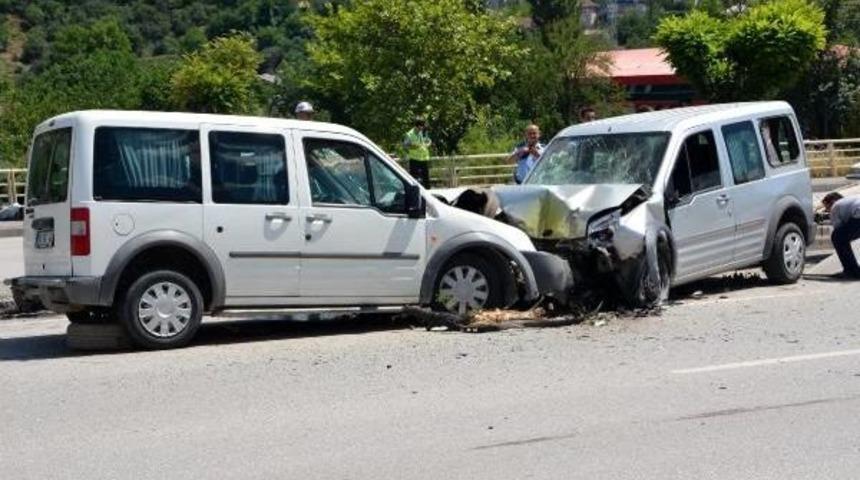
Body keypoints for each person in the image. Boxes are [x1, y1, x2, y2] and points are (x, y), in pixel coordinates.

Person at [822, 192, 860, 279]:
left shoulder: (835, 206)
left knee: (837, 237)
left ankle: (851, 271)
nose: (827, 211)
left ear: (833, 201)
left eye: (827, 207)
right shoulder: (849, 201)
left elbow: (838, 229)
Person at [402, 116, 432, 187]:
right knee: (414, 179)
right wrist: (412, 147)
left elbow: (424, 142)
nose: (422, 128)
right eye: (421, 127)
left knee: (426, 180)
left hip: (424, 159)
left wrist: (428, 143)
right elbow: (405, 146)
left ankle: (428, 194)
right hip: (414, 160)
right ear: (417, 126)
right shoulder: (409, 134)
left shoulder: (421, 132)